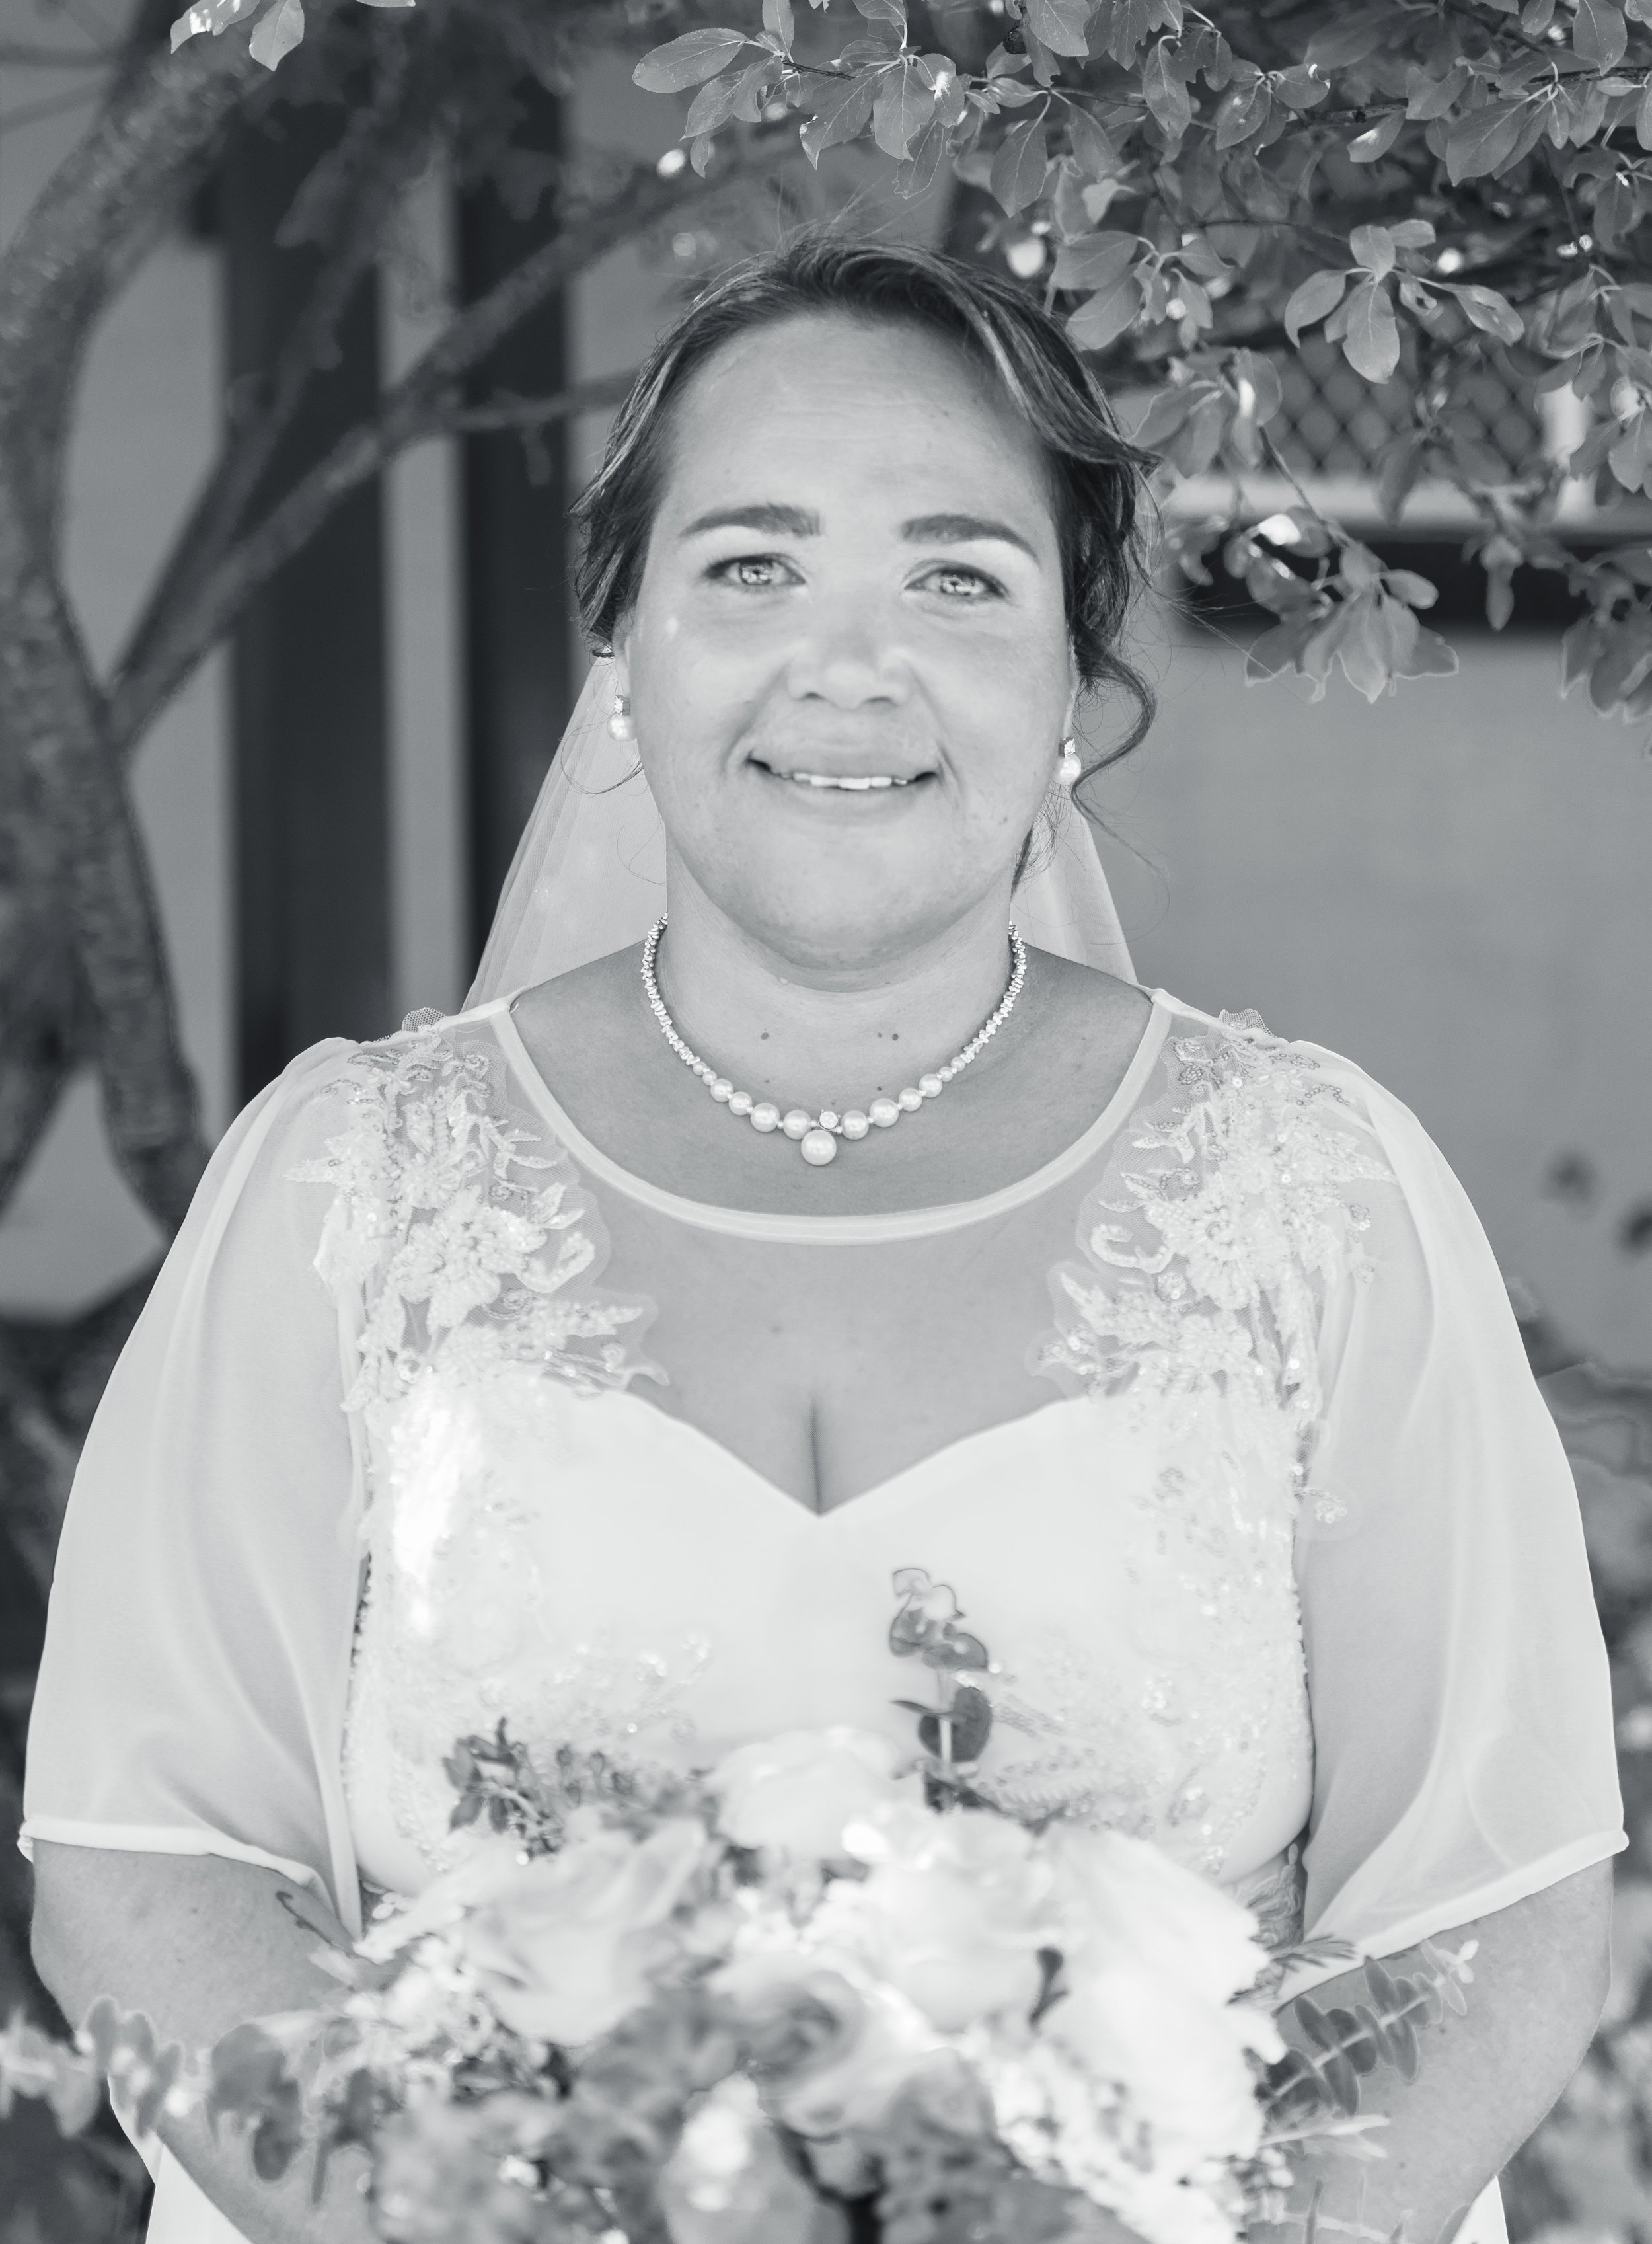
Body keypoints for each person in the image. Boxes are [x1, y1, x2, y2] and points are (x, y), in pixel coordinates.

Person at [23, 233, 1622, 2244]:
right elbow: (145, 1859)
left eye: (956, 574)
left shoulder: (1311, 1198)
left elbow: (1488, 1908)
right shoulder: (350, 1188)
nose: (843, 664)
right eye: (750, 566)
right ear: (624, 641)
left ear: (1071, 664)